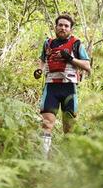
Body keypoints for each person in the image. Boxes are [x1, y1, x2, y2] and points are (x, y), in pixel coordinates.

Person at [33, 14, 92, 156]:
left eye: (66, 26)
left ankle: (66, 160)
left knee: (69, 128)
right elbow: (42, 59)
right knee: (46, 124)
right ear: (55, 27)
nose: (63, 28)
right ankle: (42, 160)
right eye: (60, 25)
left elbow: (87, 66)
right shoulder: (48, 43)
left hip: (69, 89)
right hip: (51, 88)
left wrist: (70, 58)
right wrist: (39, 70)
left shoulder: (76, 43)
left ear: (71, 29)